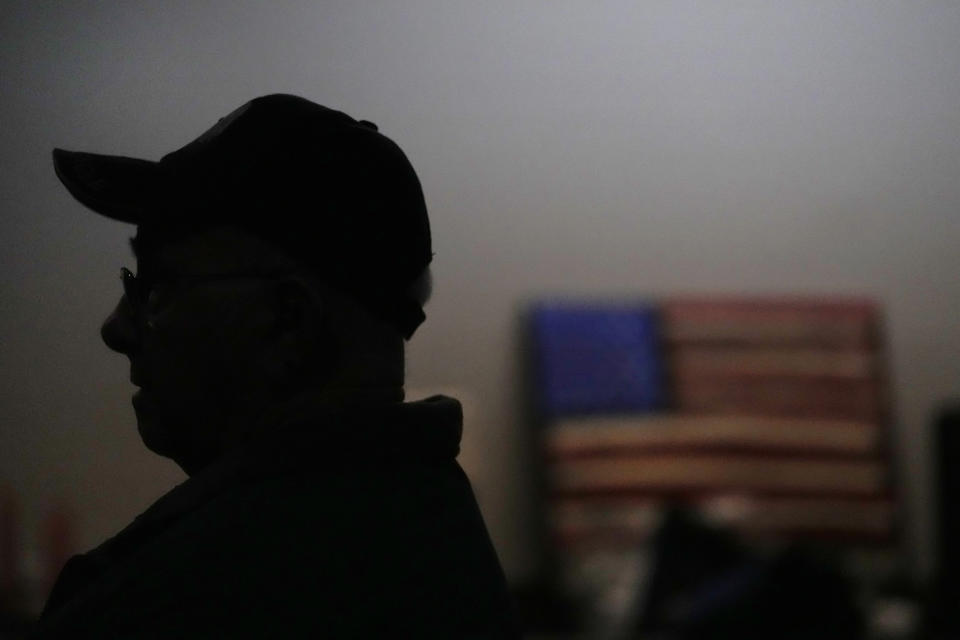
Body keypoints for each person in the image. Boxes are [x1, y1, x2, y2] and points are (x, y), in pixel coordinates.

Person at [33, 94, 518, 638]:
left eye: (156, 287)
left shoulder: (196, 599)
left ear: (290, 322)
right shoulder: (422, 527)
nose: (115, 328)